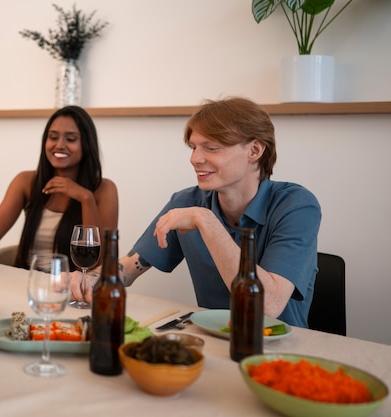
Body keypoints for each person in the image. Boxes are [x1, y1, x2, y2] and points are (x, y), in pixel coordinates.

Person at [71, 97, 321, 328]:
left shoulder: (297, 206)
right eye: (193, 147)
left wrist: (206, 221)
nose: (195, 159)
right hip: (212, 341)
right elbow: (128, 267)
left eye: (211, 148)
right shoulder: (186, 201)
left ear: (254, 151)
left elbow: (267, 306)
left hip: (280, 351)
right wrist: (89, 279)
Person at [0, 105, 119, 270]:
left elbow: (98, 263)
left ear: (86, 144)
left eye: (71, 139)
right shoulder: (26, 181)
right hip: (27, 282)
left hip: (71, 289)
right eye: (53, 137)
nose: (59, 145)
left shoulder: (104, 189)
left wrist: (85, 198)